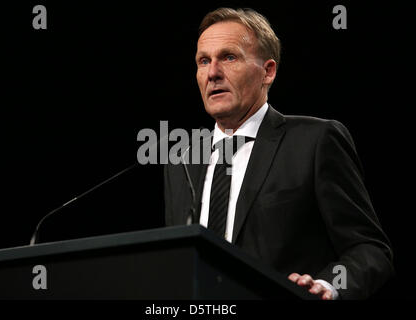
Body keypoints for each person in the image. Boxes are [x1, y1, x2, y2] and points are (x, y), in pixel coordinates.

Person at [163, 7, 393, 300]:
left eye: (229, 57)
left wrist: (328, 286)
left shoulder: (315, 141)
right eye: (203, 61)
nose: (213, 73)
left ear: (268, 71)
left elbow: (371, 249)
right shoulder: (181, 161)